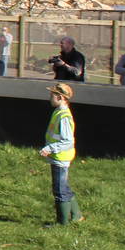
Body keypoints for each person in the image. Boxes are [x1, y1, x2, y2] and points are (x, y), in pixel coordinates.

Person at [39, 82, 82, 225]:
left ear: (60, 97)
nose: (50, 98)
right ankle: (77, 216)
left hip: (61, 158)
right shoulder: (59, 112)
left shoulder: (63, 116)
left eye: (52, 95)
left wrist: (49, 149)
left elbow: (67, 141)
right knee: (64, 186)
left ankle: (62, 223)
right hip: (58, 157)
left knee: (59, 190)